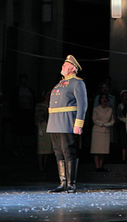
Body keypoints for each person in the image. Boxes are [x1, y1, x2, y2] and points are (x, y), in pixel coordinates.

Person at [47, 55, 88, 193]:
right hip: (55, 123)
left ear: (73, 68)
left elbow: (82, 104)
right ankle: (62, 182)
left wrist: (78, 123)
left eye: (66, 64)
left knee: (69, 152)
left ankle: (71, 183)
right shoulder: (60, 83)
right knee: (58, 153)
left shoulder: (77, 83)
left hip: (67, 122)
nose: (63, 66)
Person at [91, 93, 115, 172]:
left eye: (105, 98)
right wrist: (103, 124)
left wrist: (109, 124)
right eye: (103, 98)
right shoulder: (96, 109)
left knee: (103, 150)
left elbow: (112, 120)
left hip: (106, 131)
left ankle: (101, 166)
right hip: (98, 131)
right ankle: (97, 166)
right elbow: (95, 119)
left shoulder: (110, 109)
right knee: (97, 150)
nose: (104, 99)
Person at [35, 90, 53, 172]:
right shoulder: (40, 106)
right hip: (42, 126)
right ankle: (40, 165)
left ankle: (45, 164)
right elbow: (38, 116)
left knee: (48, 147)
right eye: (48, 94)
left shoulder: (53, 105)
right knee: (42, 147)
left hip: (51, 126)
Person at [116, 90, 127, 163]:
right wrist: (124, 120)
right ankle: (123, 158)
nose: (126, 97)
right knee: (123, 141)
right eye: (124, 96)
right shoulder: (120, 106)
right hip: (122, 125)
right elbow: (118, 115)